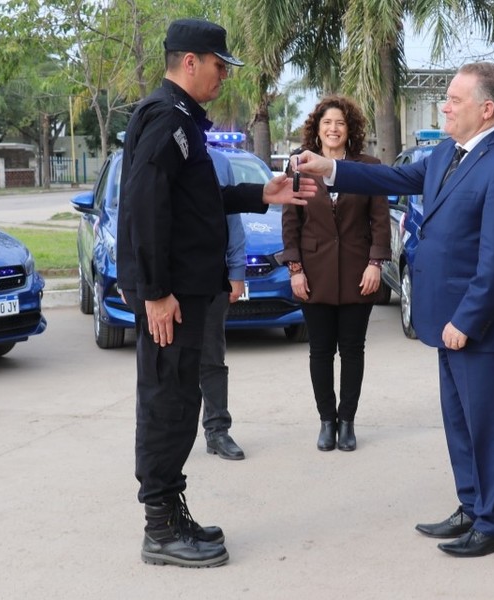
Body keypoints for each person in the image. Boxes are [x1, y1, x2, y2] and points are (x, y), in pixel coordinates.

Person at [296, 62, 494, 557]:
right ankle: (471, 507)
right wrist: (331, 168)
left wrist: (466, 321)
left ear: (486, 109)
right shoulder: (449, 151)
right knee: (461, 425)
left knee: (491, 429)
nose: (444, 106)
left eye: (454, 99)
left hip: (481, 327)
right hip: (446, 322)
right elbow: (394, 175)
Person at [116, 18, 312, 568]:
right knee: (165, 402)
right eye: (220, 65)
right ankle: (159, 527)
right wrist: (154, 292)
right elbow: (145, 207)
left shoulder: (184, 122)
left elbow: (193, 202)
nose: (224, 76)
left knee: (181, 400)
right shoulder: (164, 119)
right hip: (171, 295)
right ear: (192, 61)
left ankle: (173, 513)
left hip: (188, 289)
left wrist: (260, 193)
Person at [282, 95, 391, 452]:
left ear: (350, 130)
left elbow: (379, 222)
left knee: (353, 350)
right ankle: (326, 422)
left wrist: (376, 263)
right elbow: (290, 223)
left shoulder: (368, 166)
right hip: (313, 275)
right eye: (327, 123)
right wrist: (295, 269)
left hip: (360, 274)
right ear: (317, 128)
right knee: (320, 351)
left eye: (340, 123)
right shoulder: (298, 166)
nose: (333, 129)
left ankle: (347, 422)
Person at [201, 212, 247, 460]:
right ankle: (168, 437)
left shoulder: (218, 170)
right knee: (167, 364)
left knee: (212, 358)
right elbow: (131, 215)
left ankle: (217, 431)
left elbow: (231, 217)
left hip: (211, 279)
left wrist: (237, 270)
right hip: (167, 283)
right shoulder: (148, 170)